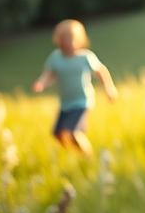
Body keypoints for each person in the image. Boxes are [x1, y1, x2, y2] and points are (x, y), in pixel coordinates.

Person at [33, 19, 117, 157]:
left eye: (68, 39)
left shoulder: (85, 57)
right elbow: (49, 74)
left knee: (72, 131)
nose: (65, 43)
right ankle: (75, 155)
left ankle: (88, 156)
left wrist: (109, 89)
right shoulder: (55, 58)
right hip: (65, 103)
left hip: (82, 101)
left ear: (78, 40)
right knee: (58, 134)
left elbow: (101, 71)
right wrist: (41, 83)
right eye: (61, 39)